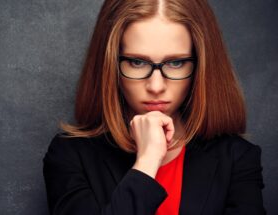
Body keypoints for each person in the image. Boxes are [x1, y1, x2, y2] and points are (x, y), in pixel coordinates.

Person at [43, 0, 266, 214]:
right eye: (137, 62)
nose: (156, 86)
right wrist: (147, 161)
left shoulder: (237, 159)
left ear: (201, 66)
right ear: (110, 64)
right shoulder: (69, 155)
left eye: (176, 63)